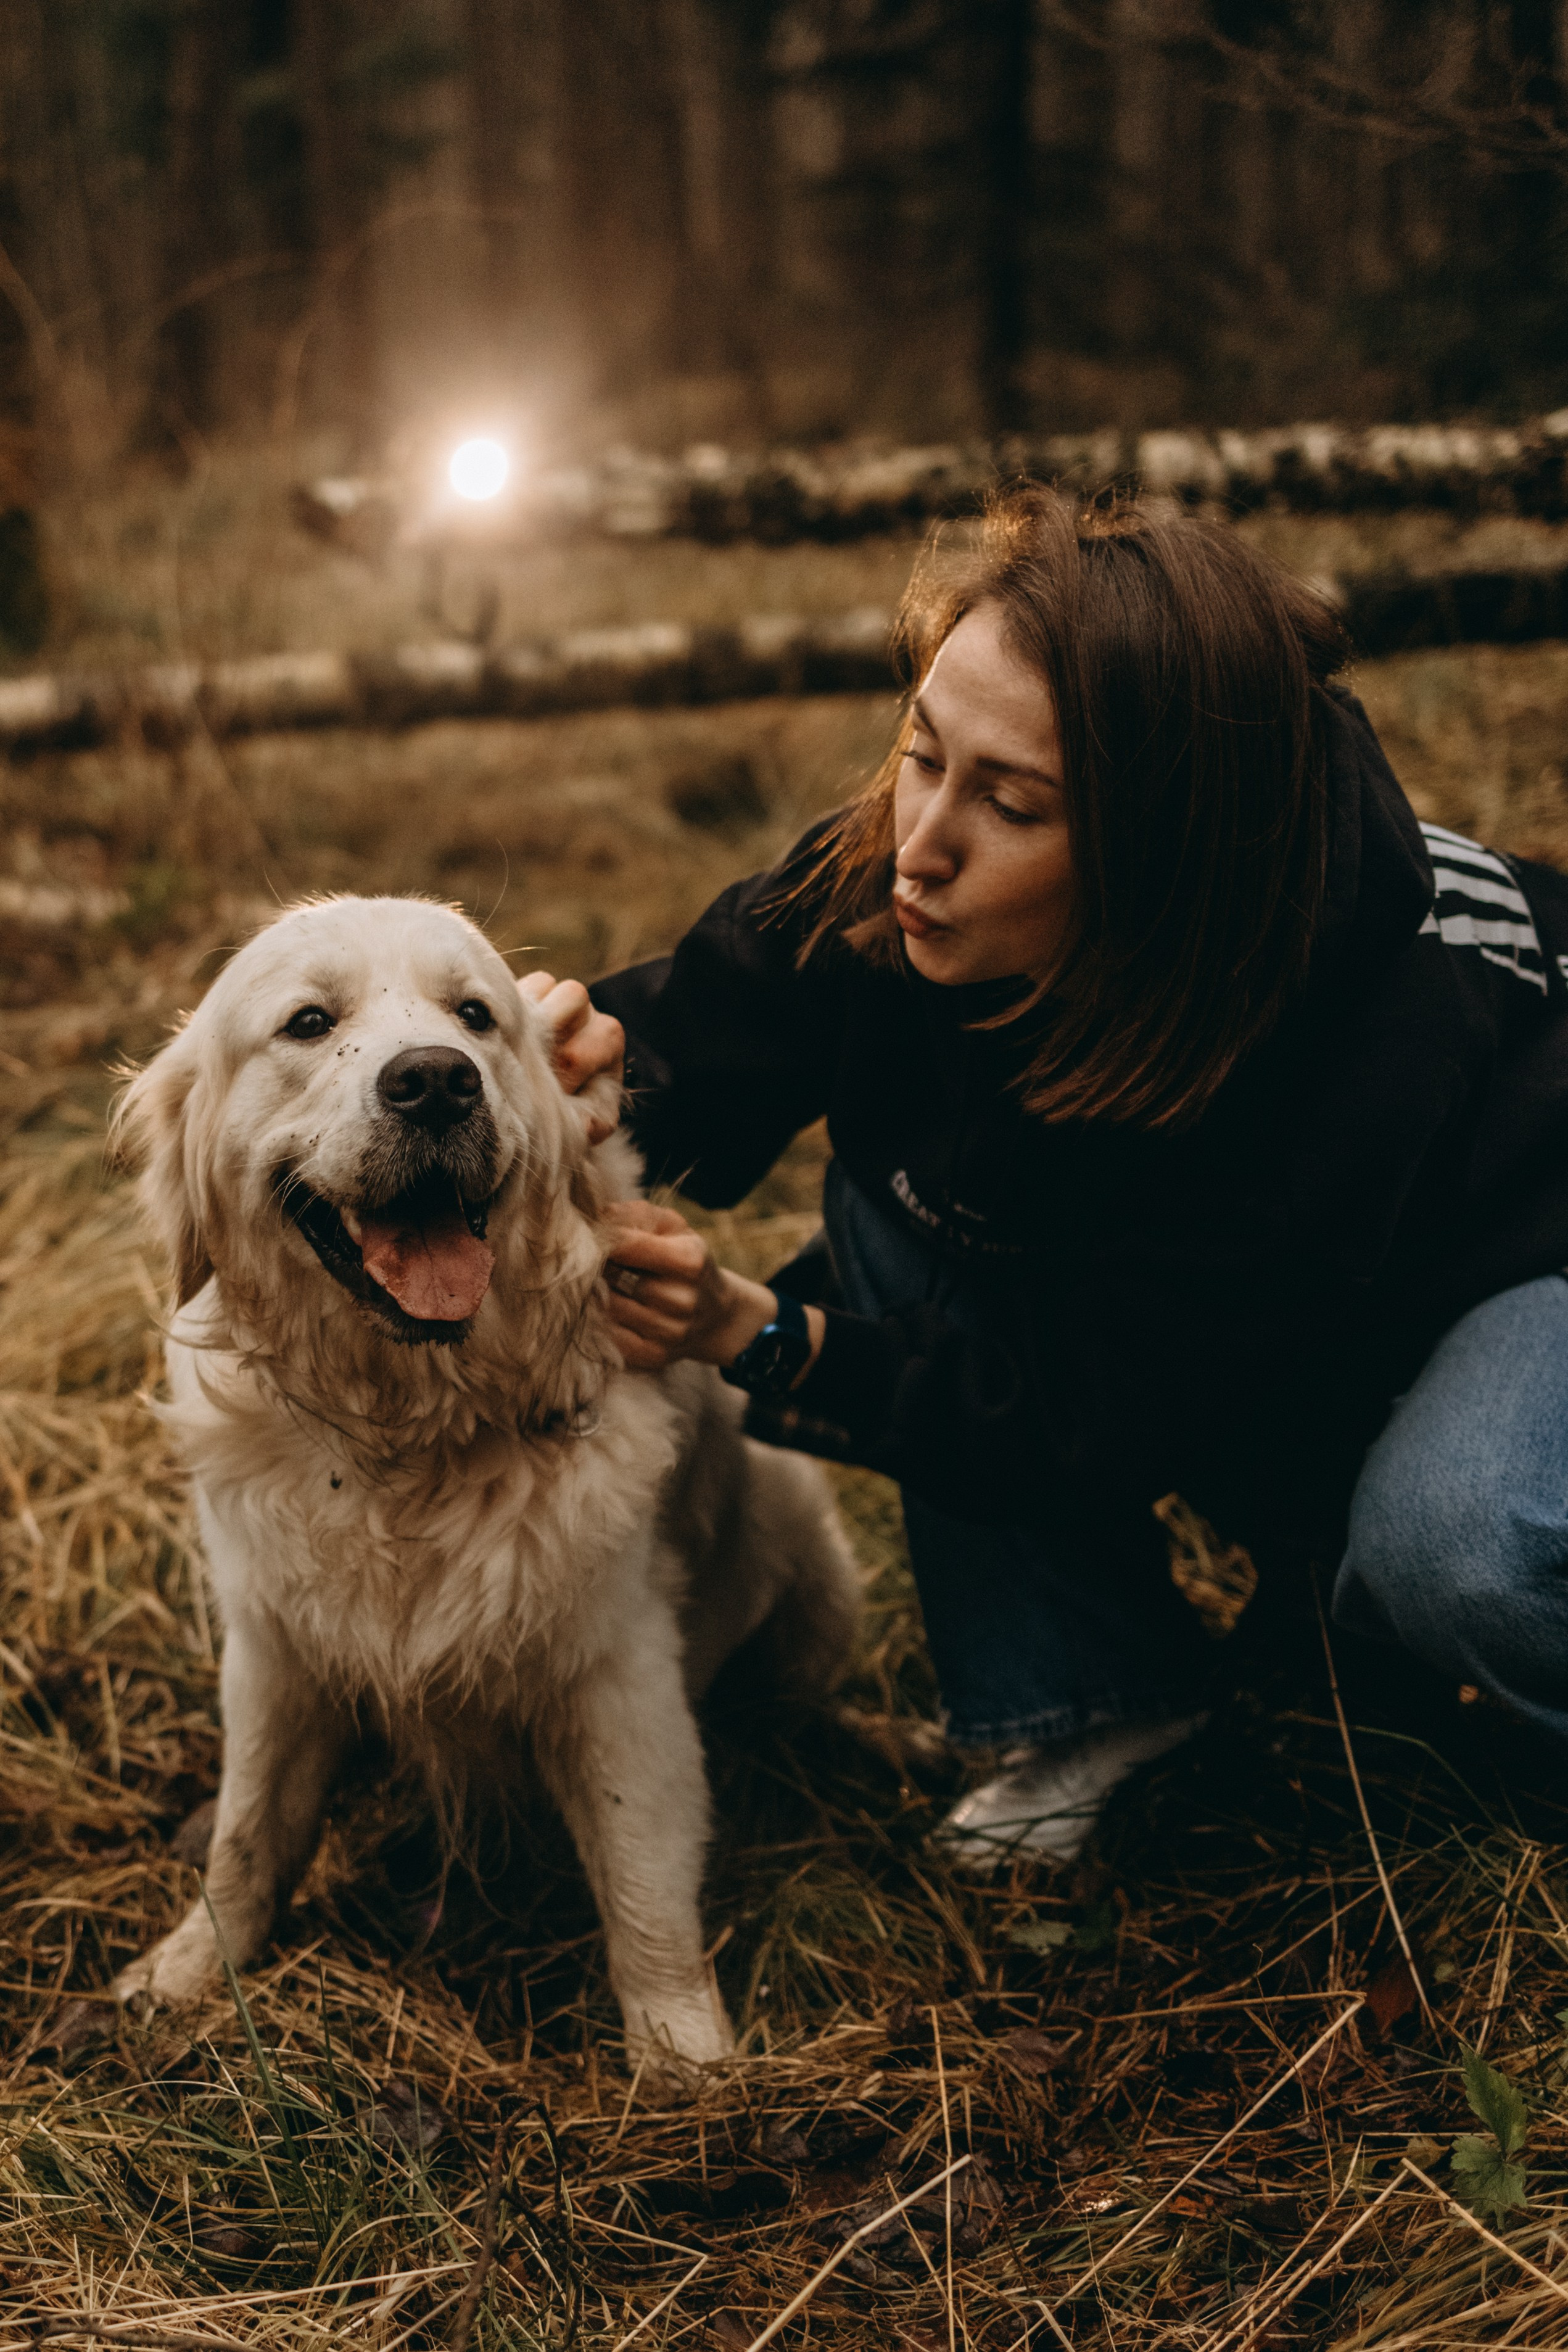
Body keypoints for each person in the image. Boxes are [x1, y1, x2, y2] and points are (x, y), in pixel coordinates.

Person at [526, 486, 1568, 1871]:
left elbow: (1100, 1408)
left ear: (1164, 861)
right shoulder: (903, 875)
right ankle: (1098, 1694)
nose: (921, 844)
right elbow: (716, 1013)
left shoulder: (1349, 1052)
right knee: (903, 1201)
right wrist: (590, 1055)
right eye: (920, 753)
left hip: (1514, 1251)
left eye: (1009, 803)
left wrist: (764, 1335)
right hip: (1229, 1304)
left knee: (1451, 1550)